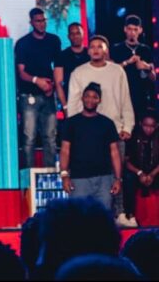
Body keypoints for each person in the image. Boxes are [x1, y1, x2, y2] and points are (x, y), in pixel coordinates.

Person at [67, 35, 135, 226]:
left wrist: (127, 126)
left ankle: (119, 213)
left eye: (100, 46)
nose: (96, 50)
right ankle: (88, 220)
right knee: (90, 175)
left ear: (106, 50)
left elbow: (125, 99)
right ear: (88, 50)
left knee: (116, 173)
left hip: (114, 129)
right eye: (92, 46)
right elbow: (73, 103)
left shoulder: (117, 71)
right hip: (86, 132)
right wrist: (75, 128)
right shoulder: (79, 72)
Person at [59, 82, 122, 210]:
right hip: (79, 179)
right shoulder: (71, 123)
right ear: (82, 98)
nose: (90, 100)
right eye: (87, 96)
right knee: (79, 217)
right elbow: (65, 150)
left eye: (94, 97)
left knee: (103, 217)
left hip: (104, 179)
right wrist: (64, 176)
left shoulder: (107, 123)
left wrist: (117, 179)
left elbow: (114, 152)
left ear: (99, 100)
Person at [15, 8, 61, 168]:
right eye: (38, 21)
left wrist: (52, 85)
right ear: (32, 22)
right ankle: (29, 175)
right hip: (29, 95)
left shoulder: (54, 41)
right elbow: (21, 73)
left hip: (48, 95)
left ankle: (50, 174)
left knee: (50, 137)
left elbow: (58, 67)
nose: (42, 24)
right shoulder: (23, 43)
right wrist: (37, 81)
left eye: (44, 20)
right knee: (29, 138)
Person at [110, 14, 156, 117]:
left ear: (140, 30)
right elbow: (111, 72)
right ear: (125, 29)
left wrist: (147, 68)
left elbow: (153, 78)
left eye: (135, 29)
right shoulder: (116, 49)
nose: (132, 33)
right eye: (130, 29)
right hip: (121, 95)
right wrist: (127, 62)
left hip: (142, 97)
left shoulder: (146, 50)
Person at [124, 110, 159, 226]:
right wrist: (139, 173)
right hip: (137, 171)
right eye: (146, 125)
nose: (149, 129)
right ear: (140, 124)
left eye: (152, 126)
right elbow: (127, 162)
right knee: (128, 178)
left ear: (156, 126)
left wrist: (152, 175)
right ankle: (130, 215)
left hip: (155, 172)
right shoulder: (133, 138)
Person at [54, 22, 89, 115]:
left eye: (78, 33)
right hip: (71, 101)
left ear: (83, 34)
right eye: (72, 34)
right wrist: (65, 106)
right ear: (68, 36)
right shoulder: (62, 56)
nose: (75, 36)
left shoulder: (90, 54)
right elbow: (58, 83)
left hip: (91, 100)